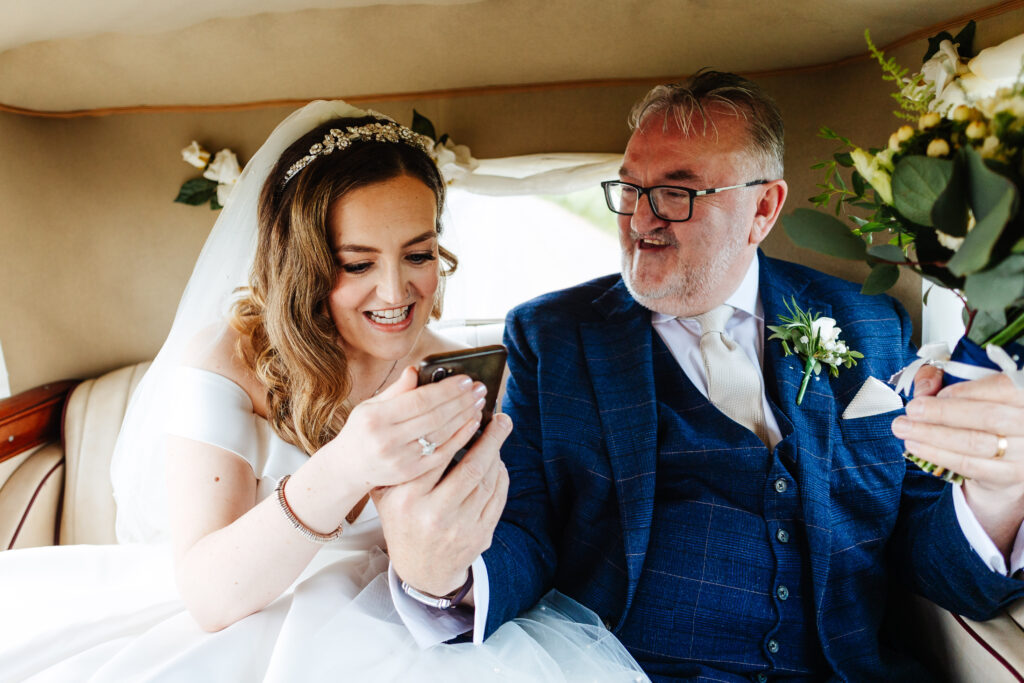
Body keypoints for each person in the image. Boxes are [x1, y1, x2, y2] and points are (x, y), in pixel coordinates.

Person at [379, 72, 1024, 681]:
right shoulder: (554, 337)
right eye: (630, 188)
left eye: (677, 192)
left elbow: (935, 560)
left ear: (764, 209)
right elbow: (523, 530)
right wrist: (442, 576)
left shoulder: (871, 324)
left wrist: (1000, 493)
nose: (640, 219)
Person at [0, 101, 648, 682]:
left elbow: (509, 541)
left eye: (418, 255)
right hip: (242, 622)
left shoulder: (465, 372)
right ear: (304, 264)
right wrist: (347, 465)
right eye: (358, 263)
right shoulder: (228, 361)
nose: (396, 293)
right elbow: (209, 596)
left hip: (410, 634)